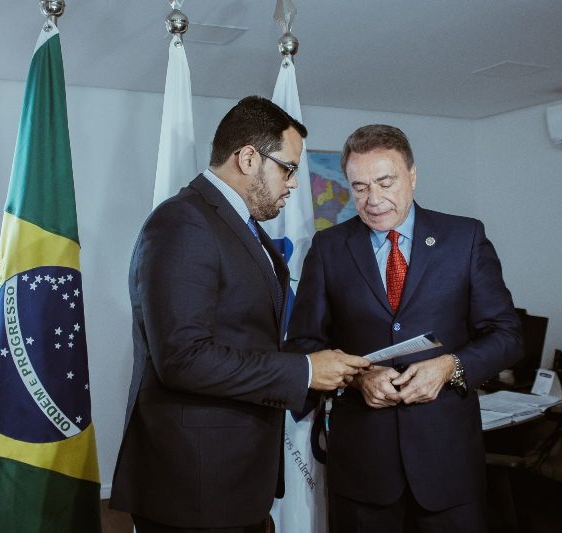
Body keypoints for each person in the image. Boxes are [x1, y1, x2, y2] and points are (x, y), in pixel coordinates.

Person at [109, 96, 369, 532]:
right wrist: (305, 371)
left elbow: (247, 337)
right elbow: (183, 359)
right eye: (288, 168)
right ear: (248, 158)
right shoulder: (184, 222)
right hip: (194, 485)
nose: (293, 184)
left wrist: (326, 368)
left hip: (234, 480)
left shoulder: (241, 228)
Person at [287, 124, 524, 532]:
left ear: (412, 176)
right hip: (362, 469)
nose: (373, 199)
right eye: (360, 187)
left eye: (385, 182)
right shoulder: (328, 249)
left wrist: (449, 367)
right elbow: (303, 344)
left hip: (448, 466)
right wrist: (358, 378)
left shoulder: (465, 238)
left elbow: (508, 335)